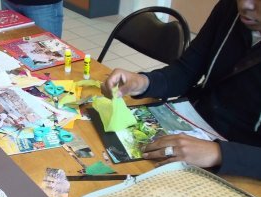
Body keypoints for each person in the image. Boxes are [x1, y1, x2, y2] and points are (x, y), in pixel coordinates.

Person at [102, 0, 261, 180]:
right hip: (192, 122)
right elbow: (186, 70)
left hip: (243, 166)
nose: (245, 5)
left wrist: (219, 153)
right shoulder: (229, 8)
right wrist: (144, 82)